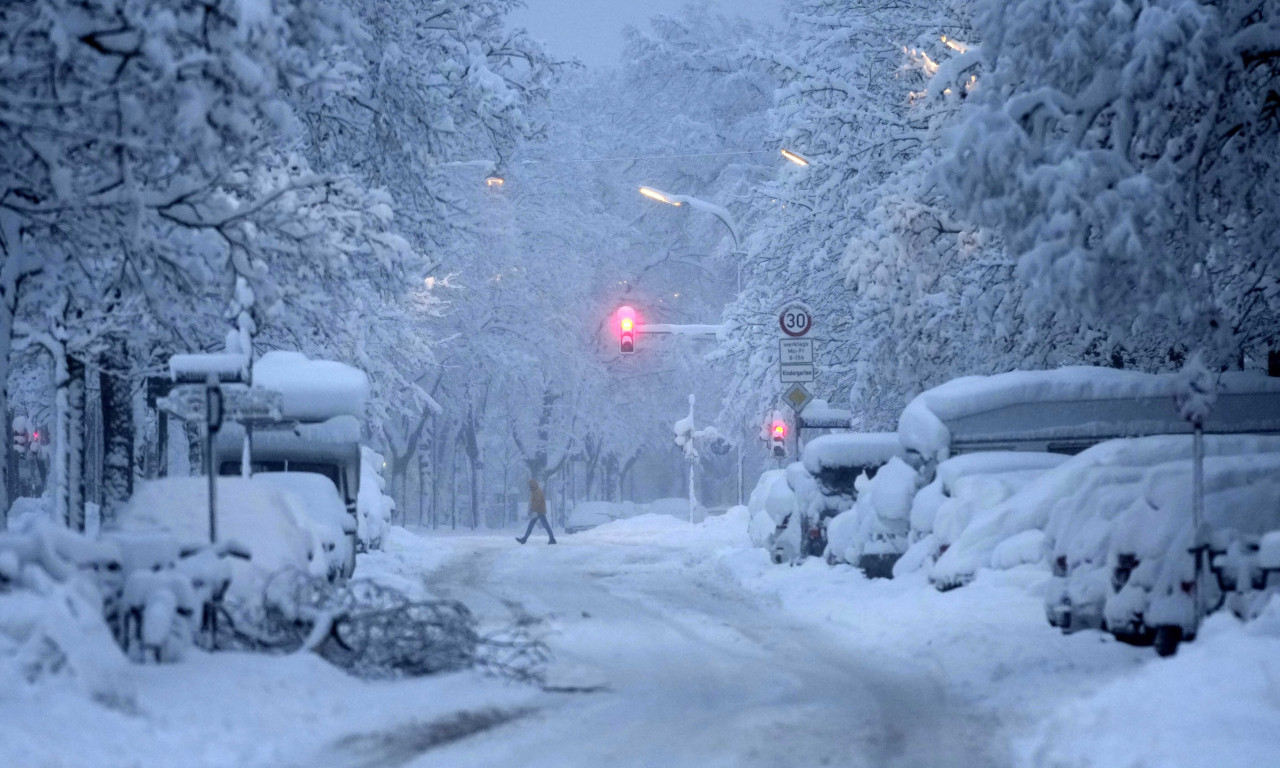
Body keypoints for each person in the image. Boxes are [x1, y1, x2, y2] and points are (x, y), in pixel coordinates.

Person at [516, 477, 556, 545]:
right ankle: (525, 539)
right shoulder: (536, 491)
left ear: (533, 485)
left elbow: (536, 502)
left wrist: (532, 509)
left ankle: (552, 539)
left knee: (543, 525)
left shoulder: (537, 491)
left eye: (530, 486)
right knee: (539, 525)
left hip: (539, 511)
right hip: (538, 511)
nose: (529, 487)